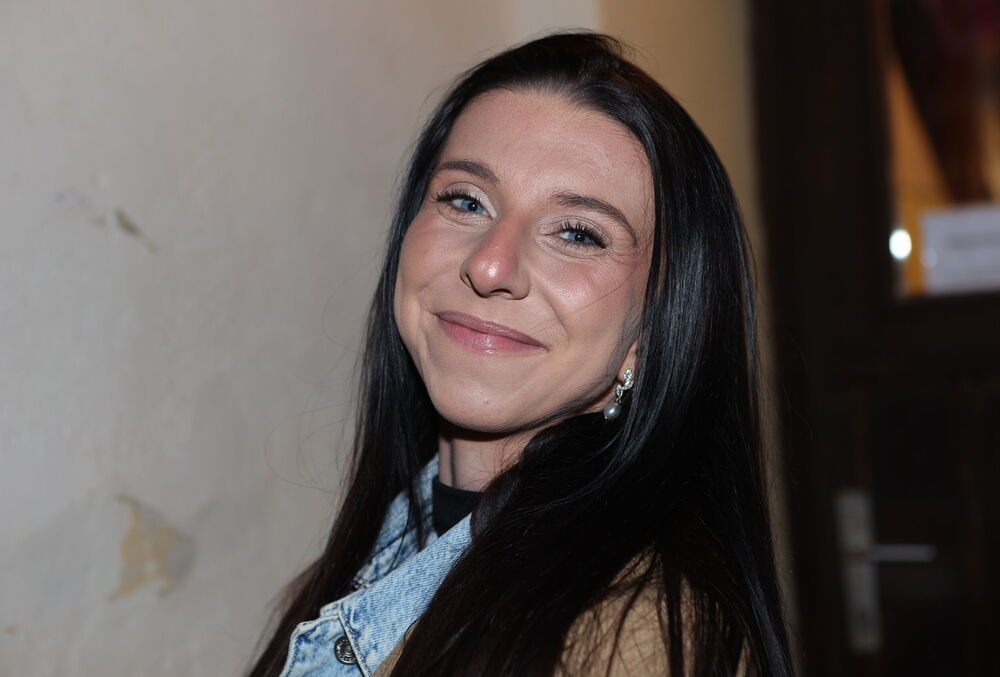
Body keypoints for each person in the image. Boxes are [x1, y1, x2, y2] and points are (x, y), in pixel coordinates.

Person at [247, 32, 794, 677]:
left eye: (578, 234)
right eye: (466, 200)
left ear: (657, 327)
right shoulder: (366, 566)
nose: (489, 265)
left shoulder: (638, 640)